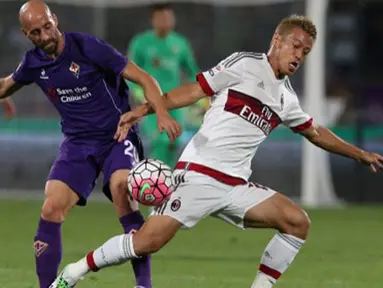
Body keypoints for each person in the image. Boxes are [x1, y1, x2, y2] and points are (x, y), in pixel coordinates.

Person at [51, 15, 383, 288]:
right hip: (197, 176)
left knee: (297, 222)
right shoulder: (244, 65)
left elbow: (315, 132)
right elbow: (193, 91)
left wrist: (360, 154)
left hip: (236, 187)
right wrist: (146, 110)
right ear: (277, 40)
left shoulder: (287, 100)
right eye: (295, 45)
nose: (299, 55)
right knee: (146, 243)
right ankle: (75, 271)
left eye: (306, 51)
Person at [0, 1, 181, 288]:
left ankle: (143, 285)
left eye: (47, 27)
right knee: (51, 207)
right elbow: (6, 84)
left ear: (54, 19)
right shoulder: (33, 63)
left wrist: (160, 111)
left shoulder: (87, 47)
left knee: (124, 193)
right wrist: (4, 96)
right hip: (77, 144)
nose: (45, 36)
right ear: (26, 34)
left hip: (117, 137)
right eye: (36, 32)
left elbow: (144, 77)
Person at [128, 2, 204, 168]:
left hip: (176, 102)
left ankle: (164, 184)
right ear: (152, 20)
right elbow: (129, 73)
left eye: (168, 17)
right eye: (161, 17)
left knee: (173, 142)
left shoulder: (180, 43)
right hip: (152, 103)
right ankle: (153, 182)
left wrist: (200, 96)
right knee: (160, 140)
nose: (165, 21)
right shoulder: (141, 43)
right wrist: (139, 93)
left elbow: (193, 72)